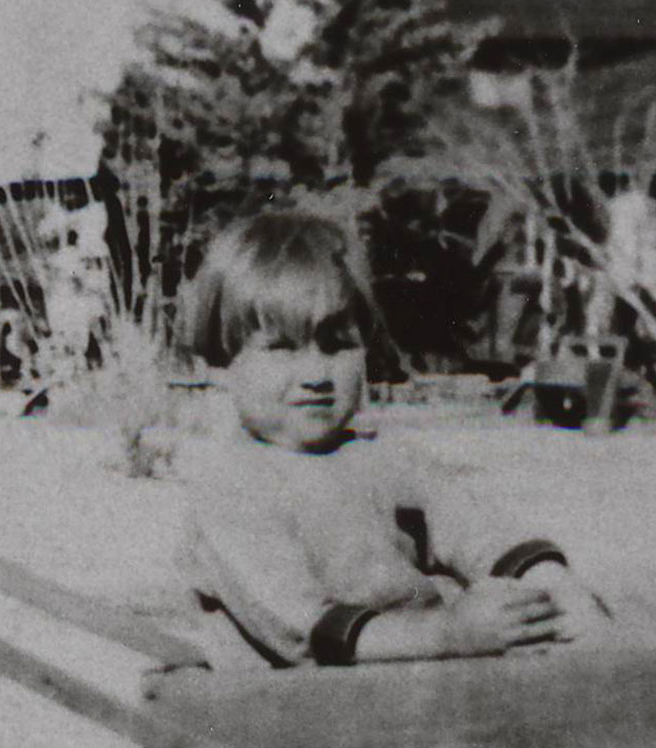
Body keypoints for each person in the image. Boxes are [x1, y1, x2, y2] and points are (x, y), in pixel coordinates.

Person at [175, 212, 608, 669]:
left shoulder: (382, 457)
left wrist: (551, 583)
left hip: (410, 689)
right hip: (287, 709)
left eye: (337, 345)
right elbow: (300, 629)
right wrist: (446, 632)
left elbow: (474, 527)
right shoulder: (230, 486)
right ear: (222, 363)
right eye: (281, 349)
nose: (316, 375)